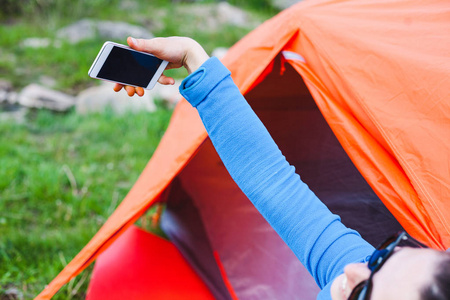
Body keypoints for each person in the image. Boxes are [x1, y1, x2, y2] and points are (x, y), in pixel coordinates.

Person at [114, 36, 450, 300]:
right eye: (384, 256)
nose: (353, 272)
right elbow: (273, 182)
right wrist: (193, 57)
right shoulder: (354, 267)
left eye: (364, 294)